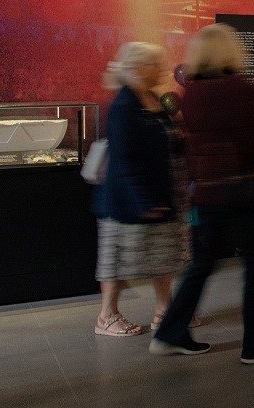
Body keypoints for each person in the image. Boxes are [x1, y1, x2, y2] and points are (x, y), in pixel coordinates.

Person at [152, 23, 254, 364]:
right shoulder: (240, 88)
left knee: (201, 265)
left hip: (207, 192)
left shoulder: (192, 93)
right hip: (241, 190)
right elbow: (253, 139)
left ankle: (171, 333)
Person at [94, 42, 187, 338]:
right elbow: (125, 159)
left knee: (163, 255)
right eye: (155, 65)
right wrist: (144, 200)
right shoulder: (123, 106)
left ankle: (165, 311)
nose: (161, 70)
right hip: (127, 200)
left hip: (158, 193)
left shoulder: (153, 99)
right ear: (138, 68)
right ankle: (107, 316)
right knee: (117, 258)